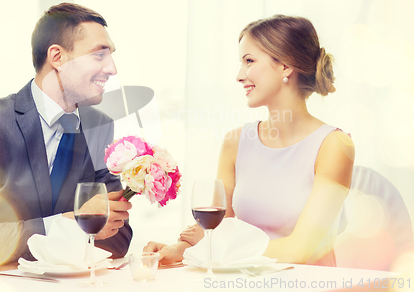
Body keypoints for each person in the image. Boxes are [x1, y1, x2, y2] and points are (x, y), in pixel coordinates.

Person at [0, 3, 133, 278]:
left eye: (110, 55)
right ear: (57, 57)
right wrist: (68, 224)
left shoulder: (99, 125)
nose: (112, 68)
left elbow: (118, 238)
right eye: (99, 55)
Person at [145, 14, 354, 266]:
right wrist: (180, 248)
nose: (239, 75)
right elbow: (216, 228)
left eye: (249, 61)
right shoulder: (235, 142)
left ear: (286, 66)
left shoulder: (334, 146)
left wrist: (212, 253)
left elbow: (300, 250)